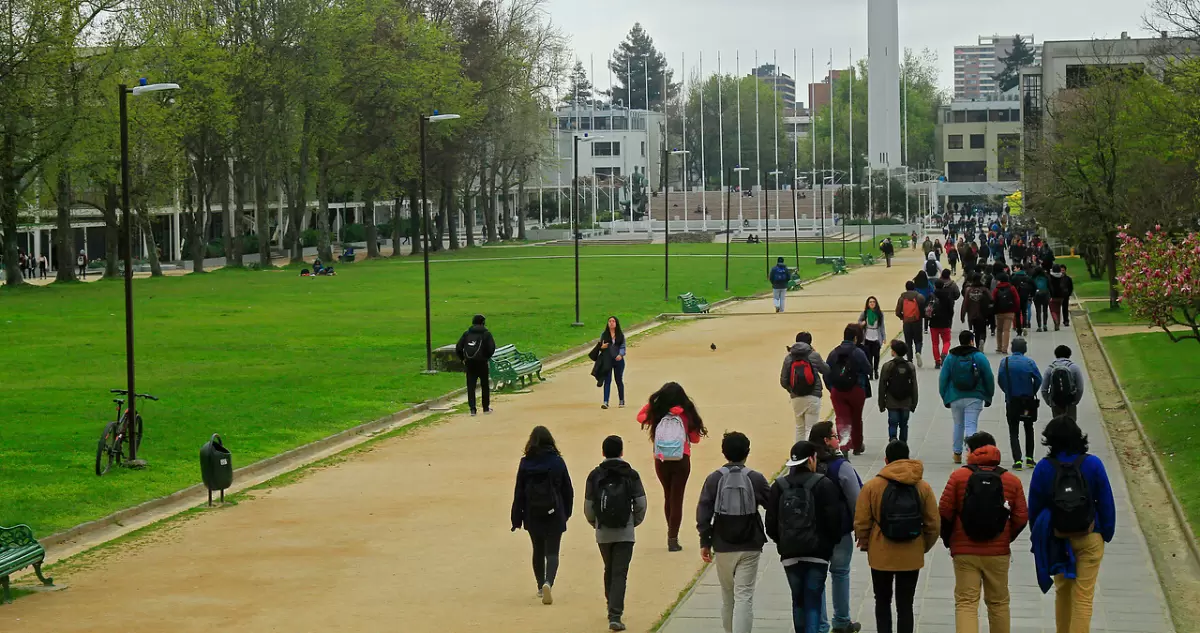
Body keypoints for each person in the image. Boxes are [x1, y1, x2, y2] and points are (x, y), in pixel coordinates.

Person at [1028, 417, 1116, 633]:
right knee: (1084, 596)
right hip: (1089, 534)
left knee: (1063, 592)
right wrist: (1106, 532)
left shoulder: (1043, 468)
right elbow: (1106, 502)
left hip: (1058, 537)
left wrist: (1041, 537)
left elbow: (1034, 508)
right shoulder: (1093, 464)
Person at [938, 432, 1029, 633]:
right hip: (998, 553)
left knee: (966, 603)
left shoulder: (959, 476)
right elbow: (1021, 516)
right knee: (998, 603)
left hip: (964, 551)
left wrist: (950, 539)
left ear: (972, 451)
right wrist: (1005, 536)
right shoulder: (1011, 480)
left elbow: (944, 511)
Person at [854, 441, 940, 633]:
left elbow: (861, 521)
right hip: (911, 552)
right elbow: (933, 523)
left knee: (882, 601)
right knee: (905, 603)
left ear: (886, 460)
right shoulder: (922, 486)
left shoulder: (872, 486)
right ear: (908, 458)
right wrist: (923, 545)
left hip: (880, 554)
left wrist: (867, 542)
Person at [766, 441, 846, 633]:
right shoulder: (823, 484)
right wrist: (828, 545)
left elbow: (770, 524)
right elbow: (835, 521)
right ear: (811, 459)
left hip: (789, 554)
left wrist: (783, 542)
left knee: (798, 600)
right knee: (813, 600)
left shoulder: (779, 486)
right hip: (817, 553)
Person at [696, 431, 771, 633]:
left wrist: (705, 541)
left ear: (724, 452)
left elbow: (703, 512)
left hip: (723, 543)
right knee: (744, 595)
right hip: (750, 543)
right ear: (747, 452)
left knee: (727, 596)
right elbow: (772, 505)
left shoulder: (714, 479)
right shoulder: (755, 478)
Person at [584, 435, 648, 631]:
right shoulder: (631, 474)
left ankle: (610, 604)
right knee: (620, 572)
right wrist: (632, 522)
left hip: (603, 531)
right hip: (625, 531)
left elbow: (588, 508)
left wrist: (597, 523)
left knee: (609, 568)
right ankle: (615, 614)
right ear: (622, 452)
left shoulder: (595, 475)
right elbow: (641, 504)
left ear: (603, 453)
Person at [808, 422, 864, 633]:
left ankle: (819, 624)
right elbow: (855, 498)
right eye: (833, 435)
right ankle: (841, 621)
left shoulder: (807, 464)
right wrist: (861, 528)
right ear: (826, 440)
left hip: (813, 532)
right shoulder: (840, 466)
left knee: (817, 577)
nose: (836, 438)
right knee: (840, 573)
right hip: (839, 531)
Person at [638, 382, 708, 551]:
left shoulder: (658, 413)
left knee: (668, 495)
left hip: (661, 459)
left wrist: (654, 403)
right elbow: (696, 439)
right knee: (677, 498)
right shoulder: (687, 415)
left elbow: (640, 416)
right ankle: (672, 537)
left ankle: (671, 530)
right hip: (681, 459)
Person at [511, 426, 574, 605]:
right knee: (552, 552)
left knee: (537, 549)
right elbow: (567, 489)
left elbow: (519, 492)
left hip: (532, 512)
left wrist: (517, 517)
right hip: (555, 511)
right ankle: (549, 582)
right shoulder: (557, 462)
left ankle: (540, 586)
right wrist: (566, 512)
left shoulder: (525, 463)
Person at [939, 331, 995, 464]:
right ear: (971, 341)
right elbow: (988, 376)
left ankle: (957, 453)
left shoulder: (951, 357)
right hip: (975, 396)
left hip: (955, 396)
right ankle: (971, 453)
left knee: (958, 425)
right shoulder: (978, 356)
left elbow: (943, 378)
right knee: (971, 426)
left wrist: (945, 396)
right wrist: (989, 395)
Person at [826, 324, 873, 456]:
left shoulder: (834, 353)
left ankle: (844, 446)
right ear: (856, 338)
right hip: (856, 389)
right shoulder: (858, 352)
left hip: (838, 391)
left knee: (841, 418)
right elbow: (868, 369)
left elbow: (826, 372)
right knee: (856, 418)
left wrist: (831, 387)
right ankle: (857, 445)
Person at [997, 337, 1043, 470]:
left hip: (1012, 400)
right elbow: (1038, 379)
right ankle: (1030, 458)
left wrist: (1007, 391)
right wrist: (1032, 391)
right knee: (1029, 428)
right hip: (1027, 401)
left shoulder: (1005, 362)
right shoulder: (1029, 362)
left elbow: (1000, 379)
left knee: (1013, 430)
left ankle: (1017, 459)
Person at [782, 332, 831, 442]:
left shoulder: (789, 358)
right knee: (811, 428)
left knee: (799, 428)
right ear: (810, 342)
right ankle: (810, 455)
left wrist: (792, 390)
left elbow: (783, 381)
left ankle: (799, 455)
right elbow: (826, 370)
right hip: (813, 395)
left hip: (796, 397)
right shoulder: (814, 355)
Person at [455, 314, 497, 416]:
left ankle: (472, 409)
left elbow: (458, 348)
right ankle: (485, 408)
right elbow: (492, 348)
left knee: (471, 386)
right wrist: (485, 357)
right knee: (484, 385)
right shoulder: (486, 334)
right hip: (482, 363)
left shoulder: (467, 334)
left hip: (469, 363)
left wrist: (463, 359)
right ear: (483, 323)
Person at [878, 340, 919, 443]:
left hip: (892, 402)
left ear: (894, 352)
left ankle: (893, 441)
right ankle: (903, 444)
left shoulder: (887, 366)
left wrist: (881, 403)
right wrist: (914, 403)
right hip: (906, 402)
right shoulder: (910, 366)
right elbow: (914, 386)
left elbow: (882, 386)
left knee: (892, 423)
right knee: (904, 425)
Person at [1041, 345, 1085, 421]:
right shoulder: (1074, 368)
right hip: (1070, 402)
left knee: (1058, 425)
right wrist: (1075, 400)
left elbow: (1044, 389)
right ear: (1069, 354)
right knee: (1071, 425)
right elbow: (1080, 388)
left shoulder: (1050, 368)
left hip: (1055, 402)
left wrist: (1050, 402)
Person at [597, 317, 626, 409]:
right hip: (607, 360)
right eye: (610, 321)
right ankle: (605, 401)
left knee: (618, 380)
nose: (611, 323)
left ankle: (621, 400)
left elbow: (623, 347)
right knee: (607, 381)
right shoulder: (604, 334)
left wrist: (620, 355)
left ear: (616, 323)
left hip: (618, 360)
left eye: (613, 321)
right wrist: (603, 346)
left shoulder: (620, 335)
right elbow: (600, 347)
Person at [895, 281, 926, 367]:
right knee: (918, 340)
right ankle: (918, 352)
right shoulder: (919, 297)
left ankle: (909, 360)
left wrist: (903, 317)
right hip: (917, 322)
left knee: (908, 342)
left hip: (907, 322)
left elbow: (897, 312)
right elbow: (923, 310)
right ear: (914, 287)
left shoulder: (902, 298)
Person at [928, 280, 956, 369]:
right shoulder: (948, 296)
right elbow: (951, 309)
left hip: (934, 322)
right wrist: (949, 319)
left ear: (935, 286)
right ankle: (944, 353)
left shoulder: (932, 296)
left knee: (935, 343)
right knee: (947, 341)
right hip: (945, 322)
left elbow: (927, 308)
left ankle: (937, 361)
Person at [960, 274, 992, 350]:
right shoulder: (984, 289)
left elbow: (965, 303)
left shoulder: (969, 290)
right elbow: (991, 299)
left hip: (972, 315)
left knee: (976, 331)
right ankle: (982, 340)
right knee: (983, 330)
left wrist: (962, 315)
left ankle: (977, 346)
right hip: (983, 314)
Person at [991, 273, 1021, 355]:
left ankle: (999, 347)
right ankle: (1005, 349)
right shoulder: (1012, 288)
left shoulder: (996, 289)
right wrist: (1016, 309)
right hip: (1010, 312)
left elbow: (993, 299)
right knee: (1006, 330)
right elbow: (1017, 299)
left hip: (999, 312)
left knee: (999, 330)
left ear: (1000, 280)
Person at [858, 297, 887, 379]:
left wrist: (884, 336)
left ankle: (876, 370)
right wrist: (863, 323)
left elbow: (882, 326)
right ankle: (870, 372)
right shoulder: (865, 313)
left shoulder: (880, 314)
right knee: (869, 356)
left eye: (873, 302)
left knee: (876, 355)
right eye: (870, 302)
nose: (872, 303)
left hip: (876, 336)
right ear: (868, 304)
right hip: (867, 337)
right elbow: (859, 322)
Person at [1010, 265, 1034, 335]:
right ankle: (1024, 327)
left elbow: (1010, 287)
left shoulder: (1014, 278)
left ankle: (1019, 330)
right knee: (1024, 313)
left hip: (1016, 297)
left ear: (1019, 268)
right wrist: (1031, 294)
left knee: (1017, 314)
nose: (1014, 269)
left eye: (1015, 268)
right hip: (1025, 297)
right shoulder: (1027, 277)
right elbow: (1034, 286)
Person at [1048, 265, 1070, 331]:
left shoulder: (1050, 277)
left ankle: (1056, 321)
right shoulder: (1062, 276)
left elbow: (1049, 286)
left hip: (1053, 296)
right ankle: (1058, 323)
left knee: (1053, 310)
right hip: (1061, 296)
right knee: (1058, 310)